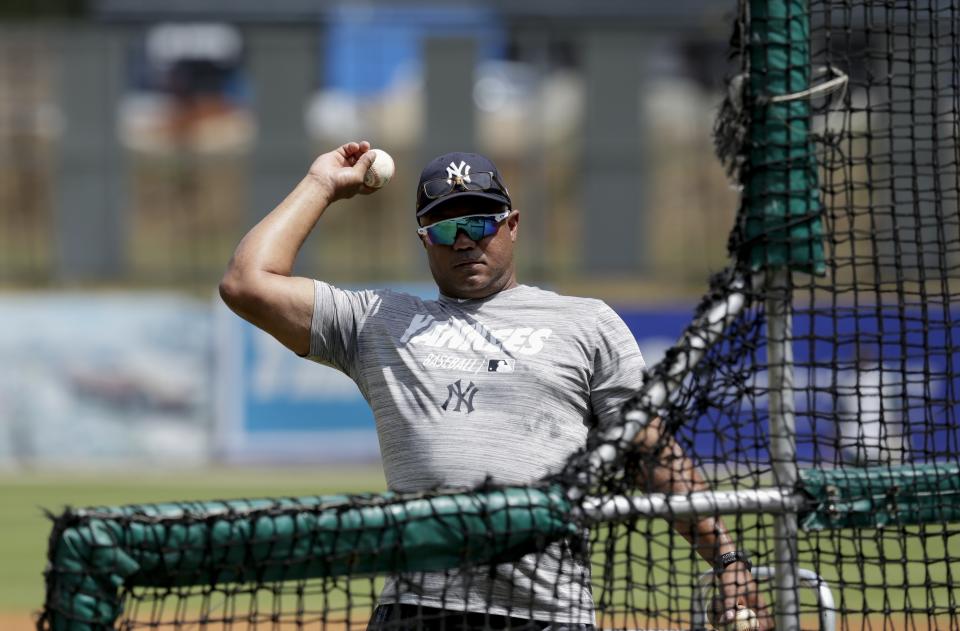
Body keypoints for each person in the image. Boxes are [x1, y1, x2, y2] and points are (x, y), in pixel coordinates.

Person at [219, 141, 771, 630]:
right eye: (444, 228)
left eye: (480, 222)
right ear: (424, 241)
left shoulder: (585, 322)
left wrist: (727, 561)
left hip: (547, 612)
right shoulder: (377, 320)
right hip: (417, 610)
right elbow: (248, 283)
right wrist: (320, 185)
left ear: (512, 224)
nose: (464, 241)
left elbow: (650, 450)